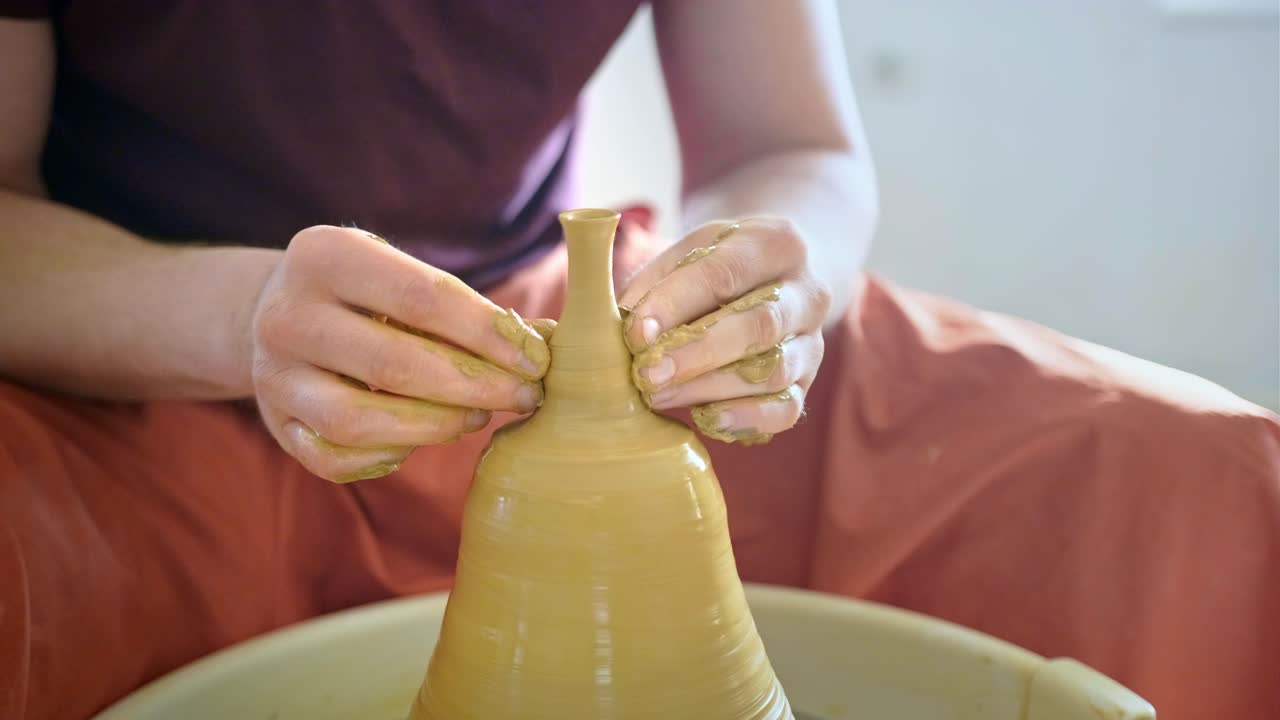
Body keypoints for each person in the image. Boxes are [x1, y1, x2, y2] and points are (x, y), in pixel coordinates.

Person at [0, 2, 1275, 718]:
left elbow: (789, 145)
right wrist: (239, 319)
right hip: (144, 343)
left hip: (561, 320)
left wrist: (777, 293)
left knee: (1204, 482)